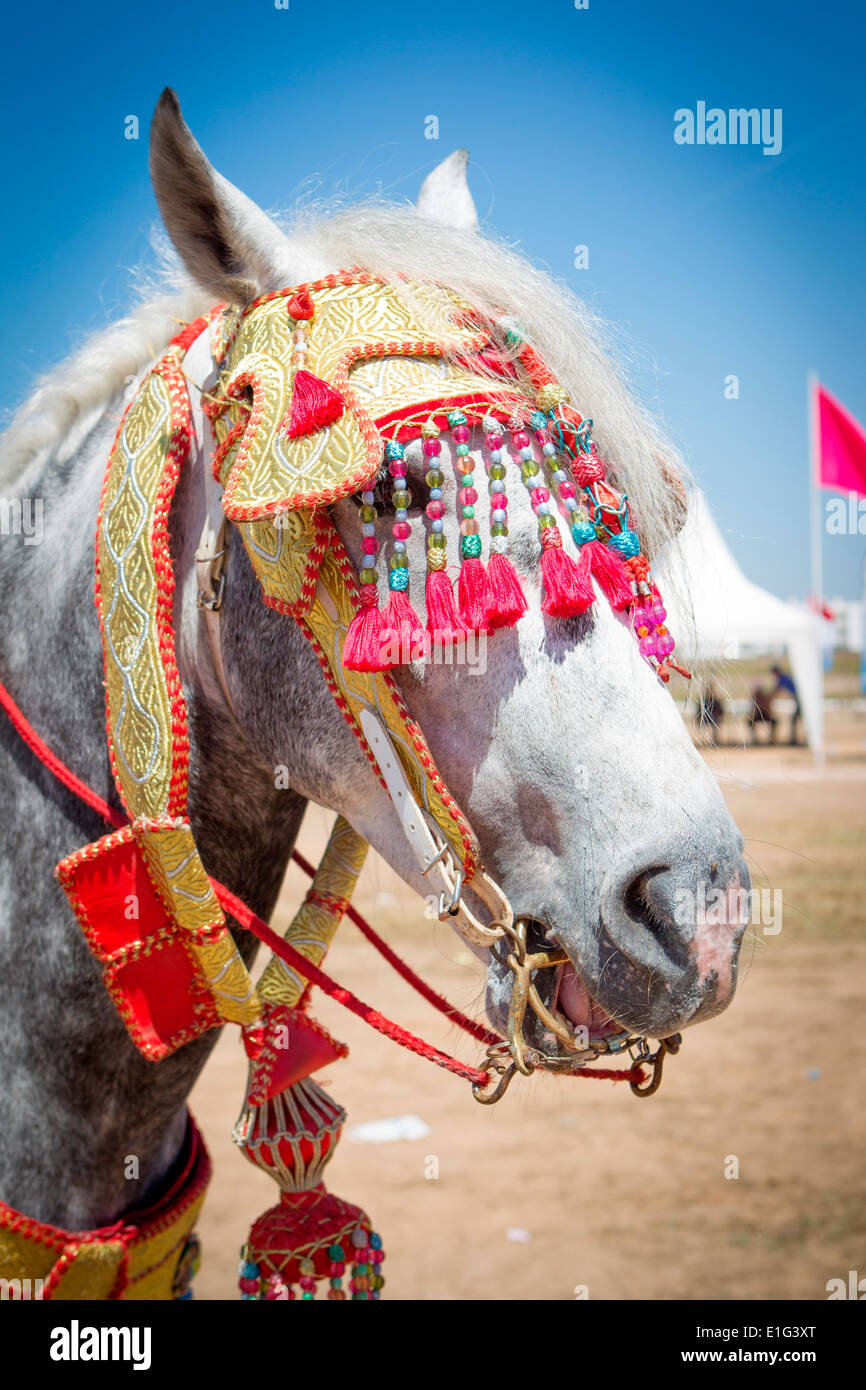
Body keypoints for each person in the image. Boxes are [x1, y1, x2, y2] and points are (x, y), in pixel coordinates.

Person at [769, 664, 802, 746]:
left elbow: (776, 691)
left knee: (795, 719)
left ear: (776, 673)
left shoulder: (782, 679)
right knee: (795, 719)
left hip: (800, 700)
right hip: (799, 699)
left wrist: (768, 697)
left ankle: (794, 740)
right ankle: (794, 739)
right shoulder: (785, 677)